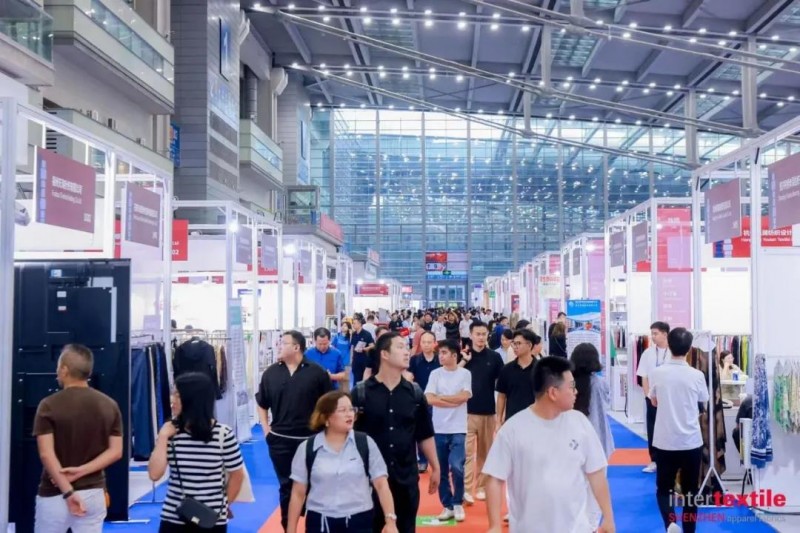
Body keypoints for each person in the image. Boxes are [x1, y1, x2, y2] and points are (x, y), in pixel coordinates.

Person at [483, 357, 615, 533]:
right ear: (553, 393)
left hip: (576, 528)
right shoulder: (513, 430)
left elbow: (596, 473)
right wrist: (494, 525)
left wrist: (608, 518)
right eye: (571, 387)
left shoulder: (580, 423)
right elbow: (494, 478)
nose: (576, 392)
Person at [353, 332, 440, 533]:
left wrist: (435, 467)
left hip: (405, 478)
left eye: (407, 347)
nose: (407, 352)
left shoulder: (415, 394)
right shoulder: (361, 393)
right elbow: (348, 437)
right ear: (384, 354)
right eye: (400, 347)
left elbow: (424, 434)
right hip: (368, 481)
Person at [33, 344, 124, 533]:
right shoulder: (109, 405)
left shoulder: (48, 405)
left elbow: (46, 454)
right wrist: (81, 471)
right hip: (94, 491)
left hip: (55, 494)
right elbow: (116, 452)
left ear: (64, 370)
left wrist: (68, 491)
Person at [287, 391, 398, 533]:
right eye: (342, 410)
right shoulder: (307, 448)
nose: (349, 414)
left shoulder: (365, 443)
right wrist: (291, 529)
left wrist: (390, 521)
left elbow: (381, 485)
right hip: (320, 522)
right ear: (326, 417)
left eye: (351, 409)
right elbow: (298, 493)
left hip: (359, 521)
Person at [256, 330, 333, 531]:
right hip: (280, 441)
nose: (278, 346)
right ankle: (288, 528)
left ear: (296, 347)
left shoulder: (317, 373)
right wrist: (266, 430)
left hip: (311, 441)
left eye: (283, 343)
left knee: (316, 487)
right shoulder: (271, 373)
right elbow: (262, 404)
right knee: (286, 487)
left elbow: (328, 406)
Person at [149, 372, 245, 532]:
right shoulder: (171, 432)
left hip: (211, 520)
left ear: (193, 399)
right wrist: (163, 437)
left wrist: (224, 504)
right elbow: (154, 474)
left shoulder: (223, 434)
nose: (172, 400)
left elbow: (237, 475)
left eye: (178, 395)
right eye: (173, 394)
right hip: (174, 517)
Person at [648, 328, 709, 533]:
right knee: (691, 491)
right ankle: (689, 531)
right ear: (689, 348)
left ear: (669, 346)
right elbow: (704, 399)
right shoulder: (697, 375)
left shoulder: (658, 373)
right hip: (691, 441)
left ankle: (670, 523)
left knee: (663, 489)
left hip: (665, 440)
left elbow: (653, 400)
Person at [424, 339, 472, 523]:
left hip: (458, 428)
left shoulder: (465, 373)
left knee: (457, 466)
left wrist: (442, 398)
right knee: (441, 469)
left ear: (454, 355)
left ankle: (458, 502)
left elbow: (464, 396)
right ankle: (447, 505)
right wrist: (453, 400)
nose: (440, 356)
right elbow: (429, 399)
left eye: (444, 353)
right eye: (440, 353)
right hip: (438, 429)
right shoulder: (435, 374)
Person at [458, 321, 504, 504]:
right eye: (477, 334)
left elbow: (502, 384)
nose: (481, 337)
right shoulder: (463, 356)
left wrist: (500, 414)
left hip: (488, 411)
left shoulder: (494, 357)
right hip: (466, 412)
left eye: (484, 334)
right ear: (470, 335)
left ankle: (482, 487)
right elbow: (453, 375)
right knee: (467, 454)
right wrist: (463, 360)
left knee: (486, 452)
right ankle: (466, 489)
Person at [636, 321, 671, 473]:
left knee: (669, 428)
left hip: (669, 398)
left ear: (665, 334)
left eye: (656, 334)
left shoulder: (674, 353)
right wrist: (648, 396)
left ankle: (669, 460)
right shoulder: (648, 353)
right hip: (652, 398)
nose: (653, 337)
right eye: (652, 334)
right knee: (653, 429)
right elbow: (644, 376)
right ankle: (654, 460)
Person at [405, 331, 441, 473]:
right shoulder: (414, 360)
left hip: (437, 400)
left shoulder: (440, 360)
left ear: (434, 343)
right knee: (421, 431)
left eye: (429, 342)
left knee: (437, 431)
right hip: (419, 400)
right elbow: (408, 376)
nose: (426, 345)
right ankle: (423, 460)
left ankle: (438, 459)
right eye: (423, 342)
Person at [571, 343, 615, 458]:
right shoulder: (600, 383)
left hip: (573, 431)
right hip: (596, 428)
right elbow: (607, 403)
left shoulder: (568, 382)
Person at [496, 330, 543, 426]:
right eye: (514, 343)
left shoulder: (541, 369)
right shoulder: (507, 369)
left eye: (518, 343)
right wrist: (498, 421)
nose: (515, 347)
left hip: (535, 422)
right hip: (512, 421)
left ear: (529, 345)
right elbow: (501, 396)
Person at [351, 316, 376, 384]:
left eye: (355, 323)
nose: (353, 325)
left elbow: (372, 345)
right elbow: (352, 347)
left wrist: (365, 349)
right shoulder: (353, 334)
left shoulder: (367, 334)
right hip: (356, 360)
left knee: (364, 380)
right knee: (356, 379)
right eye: (353, 323)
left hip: (364, 359)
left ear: (359, 324)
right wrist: (352, 359)